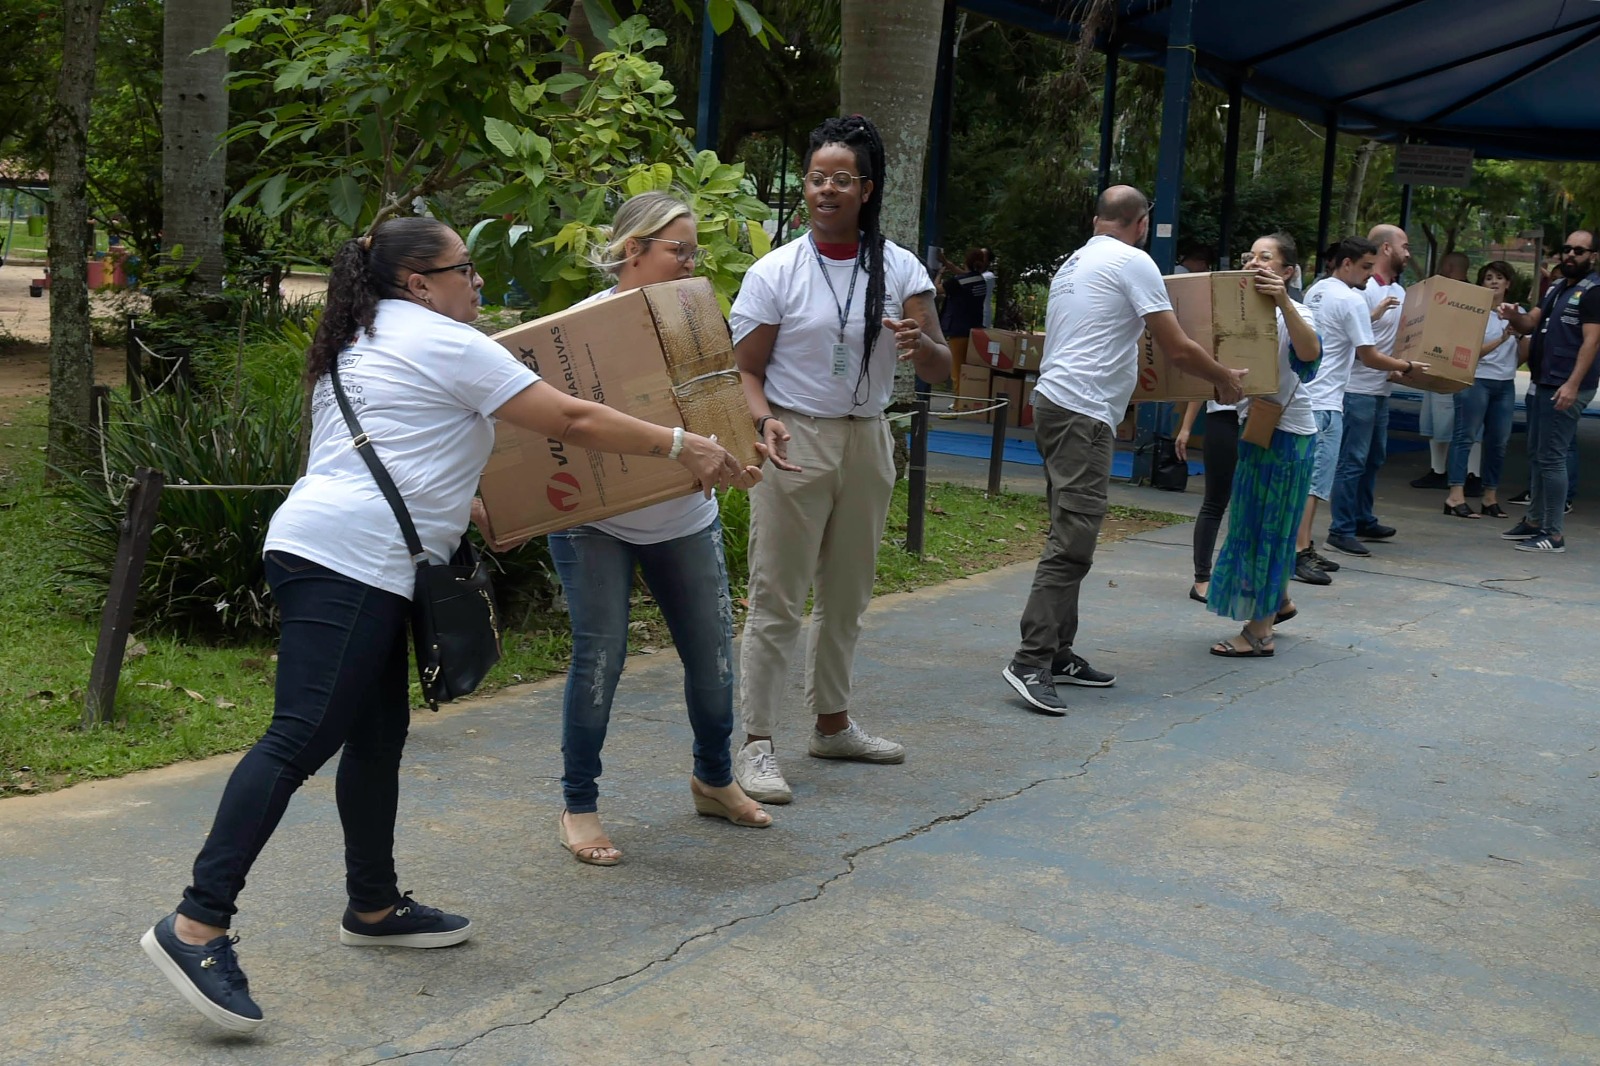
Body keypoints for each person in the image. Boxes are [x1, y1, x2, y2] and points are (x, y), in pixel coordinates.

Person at [141, 216, 759, 1034]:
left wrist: (471, 510)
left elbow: (400, 453)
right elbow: (570, 421)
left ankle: (372, 905)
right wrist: (684, 444)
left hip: (338, 549)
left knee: (374, 737)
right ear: (418, 283)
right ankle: (195, 923)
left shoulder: (360, 341)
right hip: (351, 561)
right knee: (298, 738)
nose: (476, 281)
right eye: (463, 268)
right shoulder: (448, 341)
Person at [544, 192, 773, 867]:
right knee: (600, 659)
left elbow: (723, 405)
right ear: (633, 250)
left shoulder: (697, 323)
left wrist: (752, 442)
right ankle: (578, 806)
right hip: (595, 524)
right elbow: (555, 429)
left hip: (684, 518)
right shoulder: (573, 332)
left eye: (694, 250)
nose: (690, 261)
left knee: (712, 660)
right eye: (679, 248)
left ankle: (713, 778)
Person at [731, 114, 952, 803]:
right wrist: (764, 422)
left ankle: (832, 724)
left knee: (849, 594)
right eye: (816, 178)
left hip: (867, 437)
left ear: (867, 188)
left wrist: (921, 345)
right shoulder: (777, 272)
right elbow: (742, 372)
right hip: (795, 436)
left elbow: (945, 368)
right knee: (777, 595)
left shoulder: (900, 267)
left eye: (841, 180)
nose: (826, 190)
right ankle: (755, 743)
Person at [1000, 185, 1246, 715]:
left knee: (1067, 528)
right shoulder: (1133, 261)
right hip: (1081, 413)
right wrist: (1223, 379)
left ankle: (1059, 651)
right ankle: (1031, 659)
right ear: (1141, 223)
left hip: (1058, 404)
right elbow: (1176, 344)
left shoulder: (1075, 262)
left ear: (1097, 220)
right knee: (1073, 542)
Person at [1207, 233, 1321, 656]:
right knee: (1252, 523)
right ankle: (1280, 602)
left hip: (1289, 437)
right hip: (1255, 430)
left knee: (1270, 530)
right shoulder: (1241, 314)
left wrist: (1284, 302)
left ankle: (1260, 634)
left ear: (1287, 271)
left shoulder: (1299, 313)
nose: (1255, 262)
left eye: (1266, 258)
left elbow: (1310, 355)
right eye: (1249, 256)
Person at [1498, 231, 1600, 553]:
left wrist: (1571, 384)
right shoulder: (1557, 287)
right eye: (1567, 249)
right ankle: (1534, 520)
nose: (1570, 255)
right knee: (1537, 454)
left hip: (1565, 385)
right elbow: (1530, 323)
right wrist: (1513, 315)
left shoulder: (1594, 293)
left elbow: (1592, 342)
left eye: (1579, 251)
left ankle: (1553, 534)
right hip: (1544, 381)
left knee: (1553, 458)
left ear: (1593, 256)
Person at [1326, 223, 1418, 559]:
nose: (1409, 253)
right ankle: (1341, 528)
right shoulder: (1360, 291)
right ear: (1388, 249)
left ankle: (1362, 518)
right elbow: (1357, 346)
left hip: (1381, 389)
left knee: (1373, 458)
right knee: (1352, 460)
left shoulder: (1401, 292)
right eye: (1405, 246)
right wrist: (1402, 367)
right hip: (1357, 388)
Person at [1292, 237, 1376, 584]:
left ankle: (1305, 545)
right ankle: (1298, 553)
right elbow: (1368, 355)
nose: (1370, 275)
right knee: (1314, 485)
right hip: (1326, 403)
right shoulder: (1351, 299)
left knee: (1311, 481)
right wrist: (1406, 366)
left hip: (1308, 396)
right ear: (1346, 264)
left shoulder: (1317, 290)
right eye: (1366, 267)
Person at [1441, 261, 1522, 520]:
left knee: (1498, 441)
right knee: (1465, 437)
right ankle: (1455, 495)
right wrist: (1502, 338)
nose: (1494, 282)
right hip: (1476, 379)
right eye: (1488, 278)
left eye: (1500, 277)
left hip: (1505, 382)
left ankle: (1490, 496)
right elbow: (1470, 353)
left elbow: (1523, 354)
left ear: (1508, 283)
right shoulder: (1474, 313)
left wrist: (1519, 337)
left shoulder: (1519, 313)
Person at [1412, 250, 1478, 492]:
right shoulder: (1446, 293)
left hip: (1452, 366)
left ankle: (1467, 473)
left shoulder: (1465, 297)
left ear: (1449, 267)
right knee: (1435, 421)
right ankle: (1439, 470)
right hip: (1434, 363)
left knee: (1455, 423)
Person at [1174, 394, 1238, 603]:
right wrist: (1186, 428)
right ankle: (1202, 578)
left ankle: (1238, 576)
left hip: (1260, 416)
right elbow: (1199, 387)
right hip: (1223, 417)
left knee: (1248, 504)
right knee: (1215, 501)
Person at [938, 247, 991, 377]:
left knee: (957, 372)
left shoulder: (958, 282)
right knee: (969, 372)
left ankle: (959, 398)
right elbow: (964, 274)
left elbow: (936, 289)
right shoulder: (981, 280)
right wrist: (947, 263)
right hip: (975, 331)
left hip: (958, 331)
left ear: (965, 262)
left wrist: (939, 274)